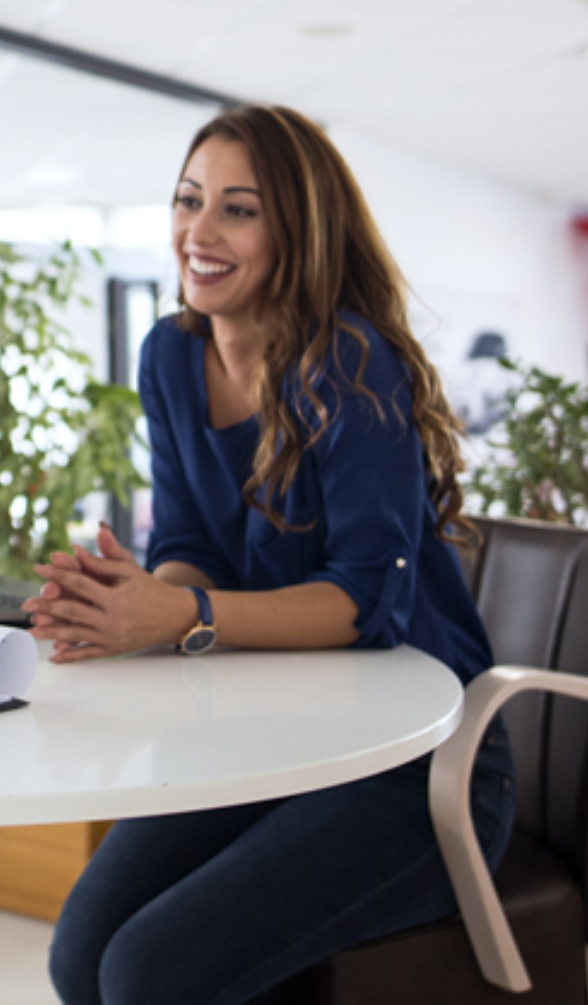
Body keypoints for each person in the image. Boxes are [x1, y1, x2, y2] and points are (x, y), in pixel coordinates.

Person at [26, 103, 513, 1005]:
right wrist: (134, 601)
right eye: (187, 199)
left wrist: (180, 615)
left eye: (237, 210)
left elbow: (370, 602)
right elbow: (188, 545)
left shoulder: (351, 364)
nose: (197, 233)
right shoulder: (170, 355)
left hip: (417, 765)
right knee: (79, 953)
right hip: (272, 738)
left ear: (297, 230)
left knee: (148, 973)